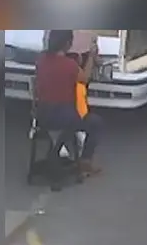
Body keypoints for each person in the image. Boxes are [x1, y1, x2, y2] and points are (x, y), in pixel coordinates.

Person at [34, 29, 103, 176]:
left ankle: (55, 153)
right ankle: (84, 161)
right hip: (64, 118)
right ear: (67, 44)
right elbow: (84, 78)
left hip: (42, 115)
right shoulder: (70, 65)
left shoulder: (41, 60)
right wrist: (91, 56)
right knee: (95, 123)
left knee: (67, 121)